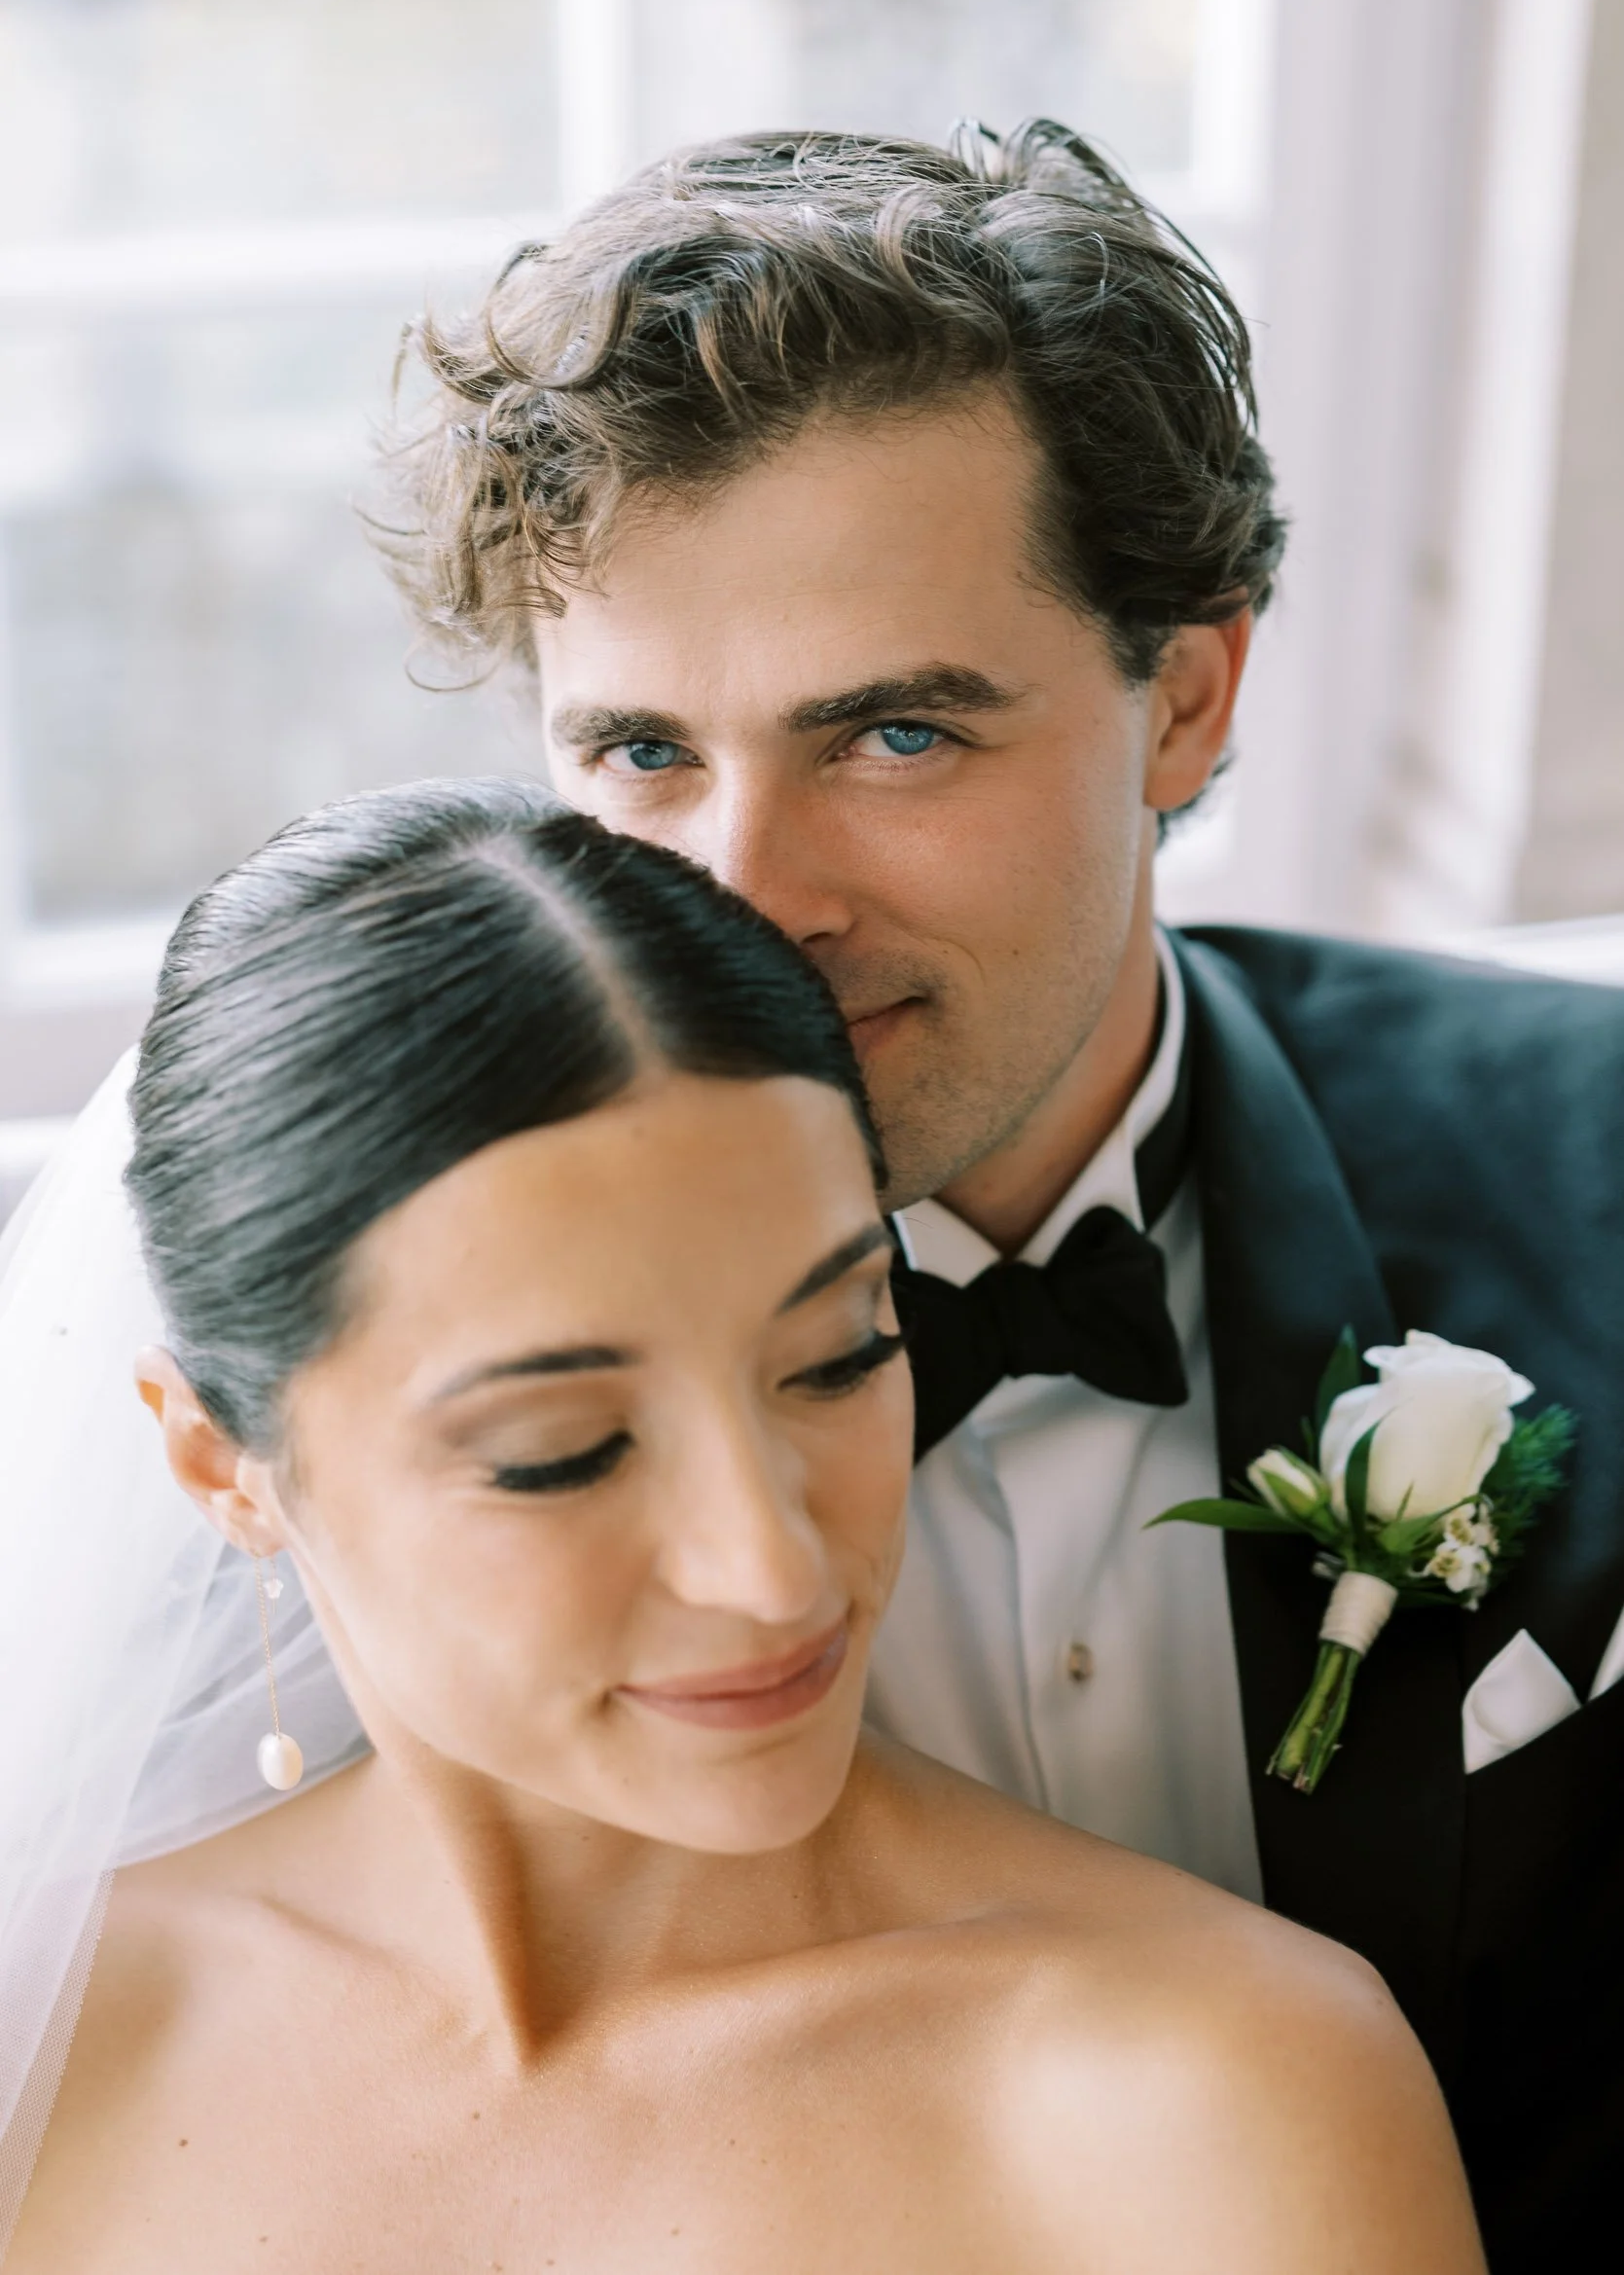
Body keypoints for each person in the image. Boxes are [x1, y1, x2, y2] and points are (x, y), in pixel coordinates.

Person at [380, 120, 1624, 2269]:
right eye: (644, 753)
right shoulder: (384, 1356)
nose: (745, 903)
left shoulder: (1598, 1172)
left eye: (898, 738)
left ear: (1189, 696)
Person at [0, 781, 1479, 2271]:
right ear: (216, 1461)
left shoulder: (1219, 2100)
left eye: (839, 1357)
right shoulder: (45, 2037)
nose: (775, 1572)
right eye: (562, 1452)